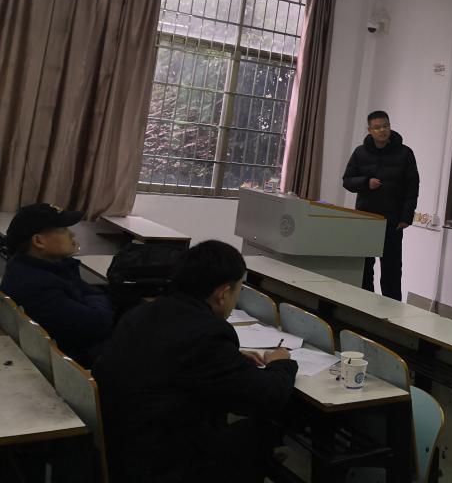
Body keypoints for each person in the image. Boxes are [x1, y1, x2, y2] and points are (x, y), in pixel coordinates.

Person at [93, 240, 297, 483]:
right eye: (238, 291)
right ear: (223, 293)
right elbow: (267, 397)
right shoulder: (208, 335)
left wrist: (230, 358)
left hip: (119, 445)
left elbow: (173, 359)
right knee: (260, 429)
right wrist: (280, 362)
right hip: (162, 464)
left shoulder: (143, 312)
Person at [0, 203, 114, 367]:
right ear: (38, 241)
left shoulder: (51, 266)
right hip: (80, 360)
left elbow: (91, 294)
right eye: (63, 229)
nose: (72, 234)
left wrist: (94, 299)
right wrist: (97, 300)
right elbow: (99, 322)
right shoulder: (36, 286)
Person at [343, 110, 419, 301]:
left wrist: (406, 217)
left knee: (391, 271)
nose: (382, 130)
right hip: (365, 220)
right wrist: (365, 182)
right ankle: (364, 305)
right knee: (364, 268)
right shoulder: (360, 153)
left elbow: (412, 188)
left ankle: (391, 312)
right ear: (370, 130)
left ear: (390, 126)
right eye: (377, 127)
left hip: (393, 221)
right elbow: (347, 181)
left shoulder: (405, 153)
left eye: (385, 126)